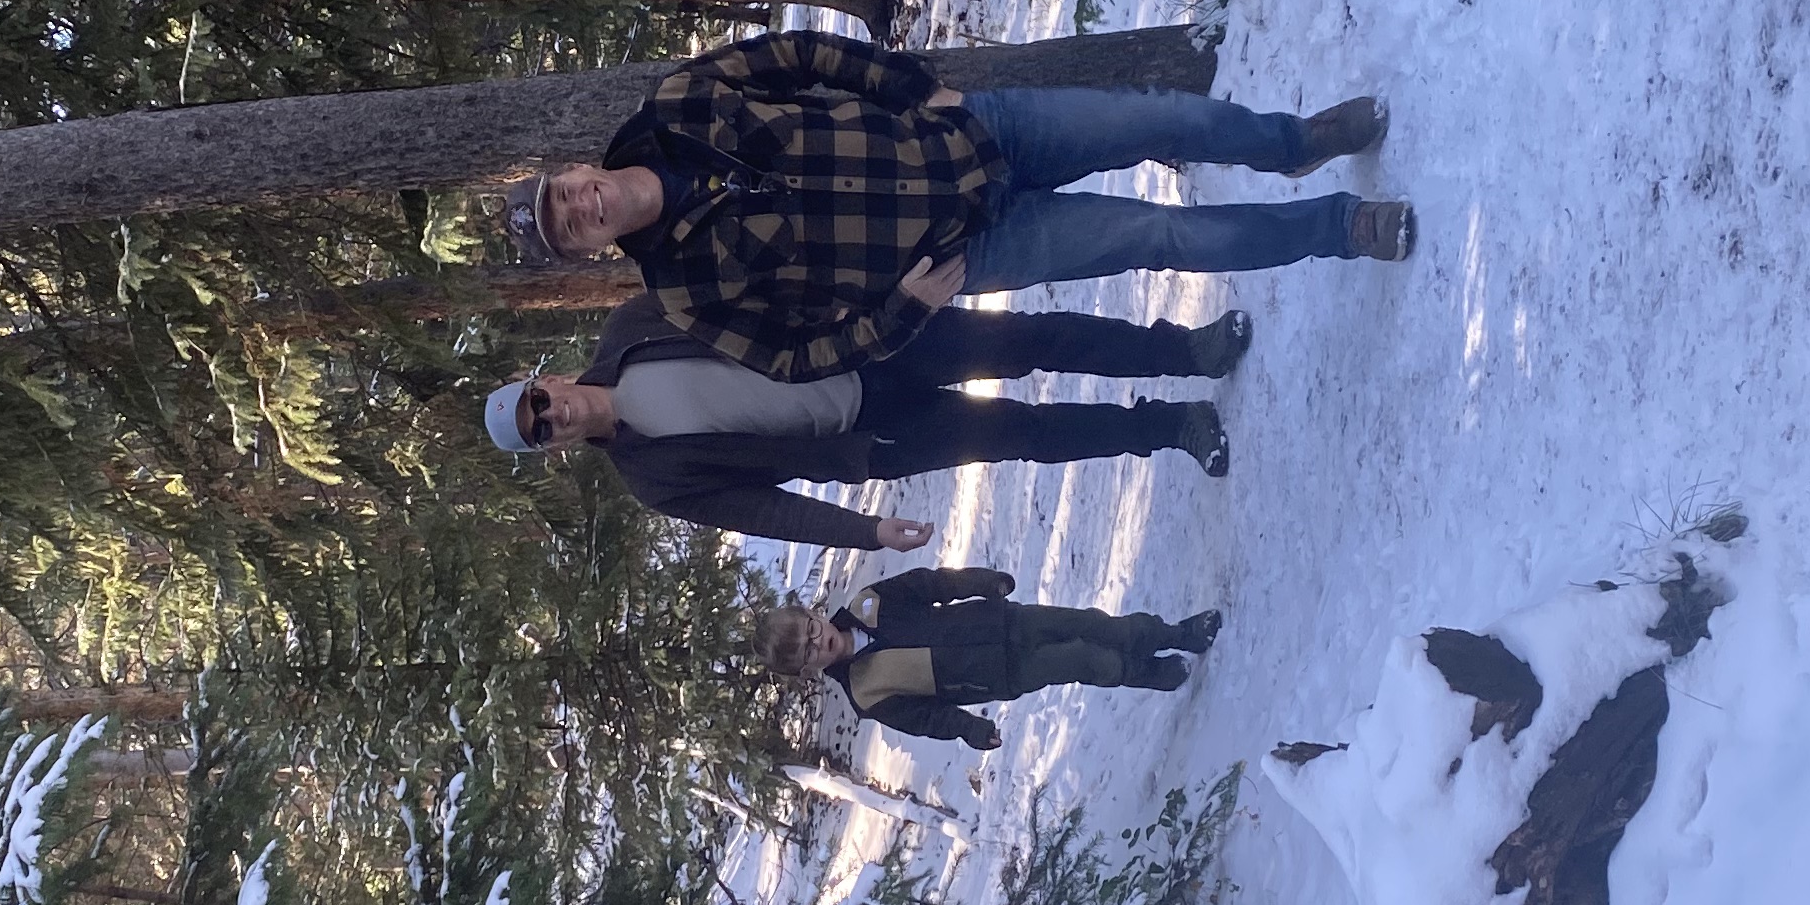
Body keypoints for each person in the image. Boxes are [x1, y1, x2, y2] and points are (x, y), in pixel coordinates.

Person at [507, 29, 1409, 379]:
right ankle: (1338, 228)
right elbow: (791, 360)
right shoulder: (683, 292)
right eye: (568, 229)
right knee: (1160, 231)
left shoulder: (675, 104)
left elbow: (799, 57)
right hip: (974, 242)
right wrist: (903, 313)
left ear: (571, 169)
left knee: (1156, 116)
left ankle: (1294, 144)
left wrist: (912, 87)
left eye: (563, 195)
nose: (581, 207)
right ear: (587, 253)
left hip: (979, 131)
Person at [485, 293, 1252, 549]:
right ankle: (1172, 425)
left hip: (869, 342)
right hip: (872, 440)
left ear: (547, 377)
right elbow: (767, 511)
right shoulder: (650, 478)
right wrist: (866, 531)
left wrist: (871, 296)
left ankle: (1186, 348)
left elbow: (754, 291)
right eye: (540, 429)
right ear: (551, 451)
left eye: (539, 401)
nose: (553, 416)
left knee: (1028, 340)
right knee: (1022, 433)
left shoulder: (632, 328)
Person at [762, 569, 1224, 750]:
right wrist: (967, 727)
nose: (817, 641)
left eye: (810, 629)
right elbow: (925, 718)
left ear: (812, 613)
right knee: (1081, 659)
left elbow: (930, 586)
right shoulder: (865, 692)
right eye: (807, 651)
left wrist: (979, 583)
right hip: (996, 675)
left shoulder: (869, 603)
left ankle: (1175, 634)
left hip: (1001, 622)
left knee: (1091, 625)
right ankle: (1145, 672)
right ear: (807, 670)